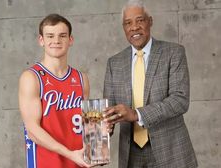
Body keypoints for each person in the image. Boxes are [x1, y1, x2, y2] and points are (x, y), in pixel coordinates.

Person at [103, 0, 198, 167]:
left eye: (140, 20)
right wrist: (101, 129)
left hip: (171, 152)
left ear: (150, 21)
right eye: (128, 23)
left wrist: (136, 114)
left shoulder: (173, 53)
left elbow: (180, 100)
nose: (134, 27)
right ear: (124, 28)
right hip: (130, 155)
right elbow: (109, 111)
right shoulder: (114, 63)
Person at [19, 14, 93, 168]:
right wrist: (69, 154)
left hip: (78, 162)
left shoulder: (81, 79)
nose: (56, 41)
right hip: (46, 163)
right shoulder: (31, 78)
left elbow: (87, 124)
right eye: (50, 36)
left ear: (70, 40)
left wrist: (100, 132)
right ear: (41, 40)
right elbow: (32, 130)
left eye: (62, 36)